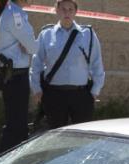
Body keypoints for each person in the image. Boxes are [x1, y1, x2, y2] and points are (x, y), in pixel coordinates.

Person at [29, 0, 104, 129]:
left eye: (70, 9)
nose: (67, 13)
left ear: (76, 12)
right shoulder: (46, 35)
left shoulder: (88, 35)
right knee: (56, 135)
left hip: (81, 94)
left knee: (82, 136)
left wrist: (95, 91)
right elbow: (36, 64)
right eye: (63, 9)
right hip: (54, 94)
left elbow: (97, 63)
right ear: (57, 10)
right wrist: (37, 89)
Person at [0, 0, 37, 152]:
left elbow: (29, 45)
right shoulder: (15, 15)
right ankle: (3, 160)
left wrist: (28, 45)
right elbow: (32, 47)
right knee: (16, 125)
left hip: (12, 75)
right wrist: (30, 46)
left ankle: (7, 159)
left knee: (16, 122)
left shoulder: (13, 12)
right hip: (15, 76)